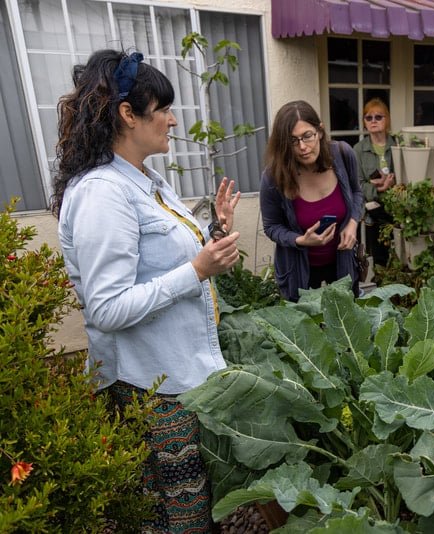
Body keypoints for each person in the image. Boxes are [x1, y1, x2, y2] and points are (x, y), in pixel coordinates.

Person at [53, 49, 241, 531]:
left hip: (178, 377)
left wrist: (213, 232)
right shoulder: (102, 193)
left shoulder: (147, 182)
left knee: (196, 511)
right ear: (127, 115)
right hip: (149, 390)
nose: (174, 120)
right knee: (176, 520)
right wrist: (198, 270)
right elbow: (108, 308)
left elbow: (162, 260)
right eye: (163, 109)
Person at [260, 100, 364, 301]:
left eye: (308, 136)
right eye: (292, 141)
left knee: (345, 325)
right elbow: (271, 227)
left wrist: (352, 223)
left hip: (342, 265)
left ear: (320, 131)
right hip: (299, 274)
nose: (302, 147)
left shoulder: (343, 155)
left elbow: (357, 194)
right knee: (307, 329)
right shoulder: (274, 177)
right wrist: (300, 240)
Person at [353, 98, 396, 269]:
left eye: (378, 117)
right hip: (374, 212)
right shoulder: (358, 149)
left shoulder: (398, 145)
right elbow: (357, 184)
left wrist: (394, 184)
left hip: (398, 211)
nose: (373, 121)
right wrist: (379, 188)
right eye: (368, 118)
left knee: (400, 258)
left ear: (387, 120)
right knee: (380, 261)